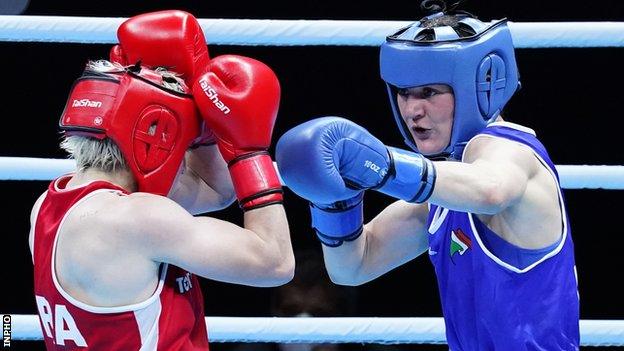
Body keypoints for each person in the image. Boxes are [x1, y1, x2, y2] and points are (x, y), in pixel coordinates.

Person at [275, 1, 579, 349]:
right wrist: (334, 201)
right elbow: (353, 267)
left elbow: (491, 190)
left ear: (483, 83)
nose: (412, 110)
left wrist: (380, 166)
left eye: (429, 92)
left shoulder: (510, 150)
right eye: (404, 93)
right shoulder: (446, 191)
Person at [30, 10, 294, 350]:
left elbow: (214, 191)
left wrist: (207, 134)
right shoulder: (138, 218)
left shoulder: (49, 206)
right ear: (152, 136)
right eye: (182, 135)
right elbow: (274, 262)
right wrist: (249, 154)